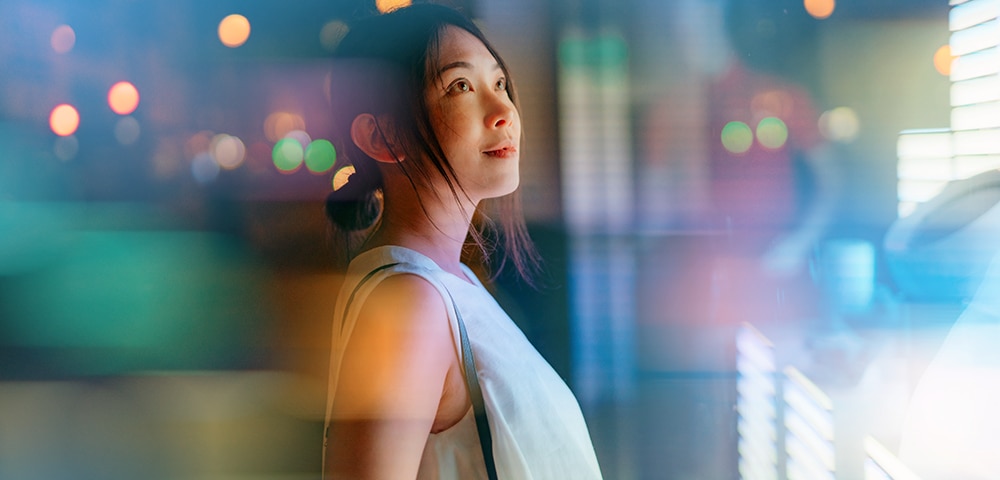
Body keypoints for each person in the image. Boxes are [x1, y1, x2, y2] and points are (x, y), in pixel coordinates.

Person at [321, 4, 603, 479]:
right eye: (460, 86)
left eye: (499, 84)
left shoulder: (452, 281)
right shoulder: (410, 300)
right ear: (381, 136)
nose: (504, 112)